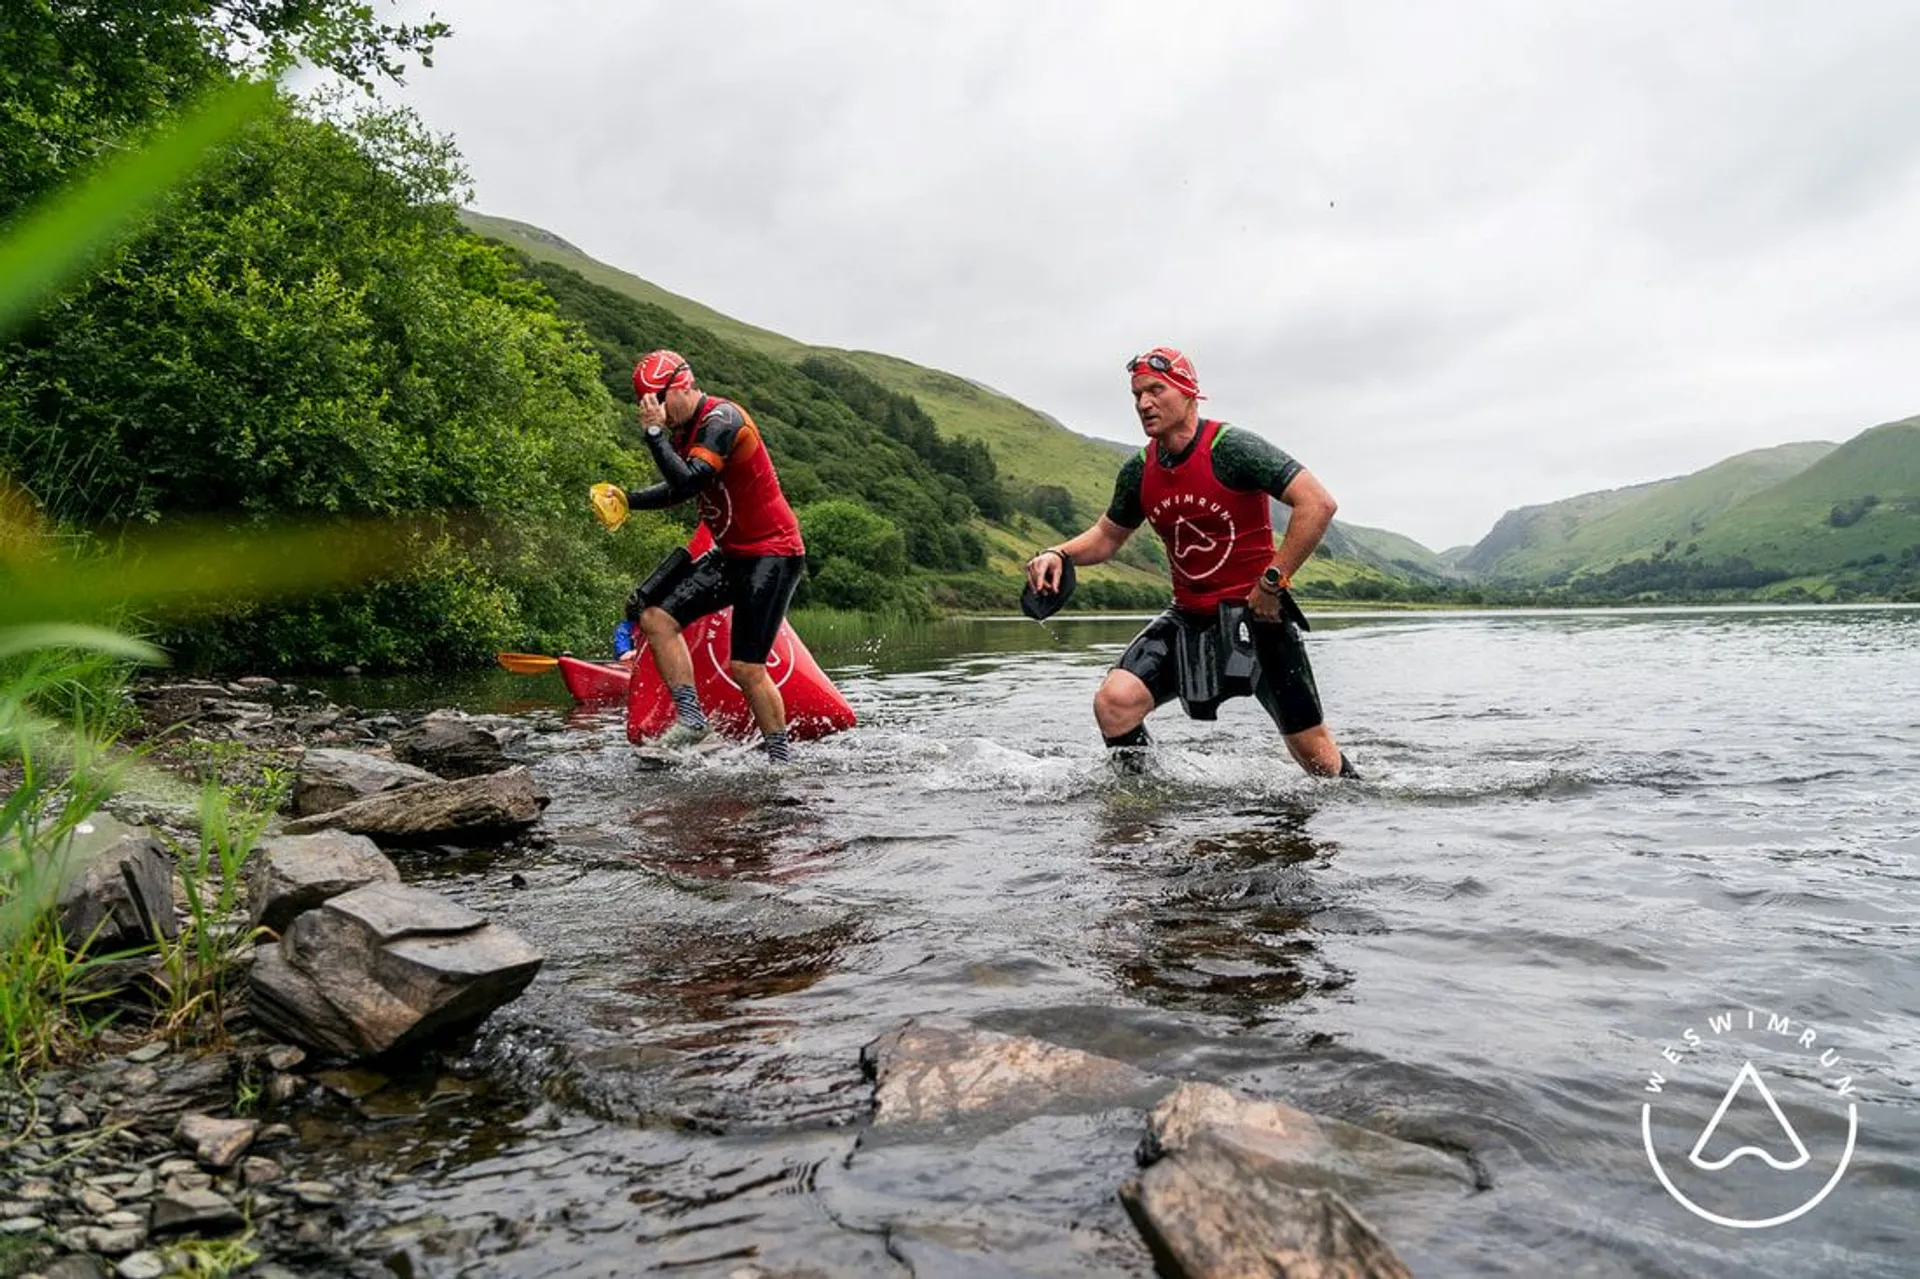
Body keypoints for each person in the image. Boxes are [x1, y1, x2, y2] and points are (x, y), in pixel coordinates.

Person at [1023, 346, 1358, 779]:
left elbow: (1317, 504)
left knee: (1317, 757)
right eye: (1137, 394)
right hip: (1188, 619)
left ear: (1188, 392)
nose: (1144, 403)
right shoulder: (1139, 470)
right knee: (1115, 702)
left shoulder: (1233, 448)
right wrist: (1058, 552)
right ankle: (1141, 802)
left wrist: (1272, 582)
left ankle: (1356, 820)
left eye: (1155, 390)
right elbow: (1108, 536)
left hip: (1260, 616)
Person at [608, 349, 807, 762]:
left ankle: (781, 762)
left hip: (773, 553)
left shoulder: (722, 421)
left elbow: (689, 483)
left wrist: (653, 436)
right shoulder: (681, 431)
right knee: (656, 618)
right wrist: (628, 500)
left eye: (659, 403)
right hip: (732, 553)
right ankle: (694, 722)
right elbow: (677, 488)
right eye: (647, 407)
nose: (657, 413)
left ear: (681, 387)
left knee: (747, 668)